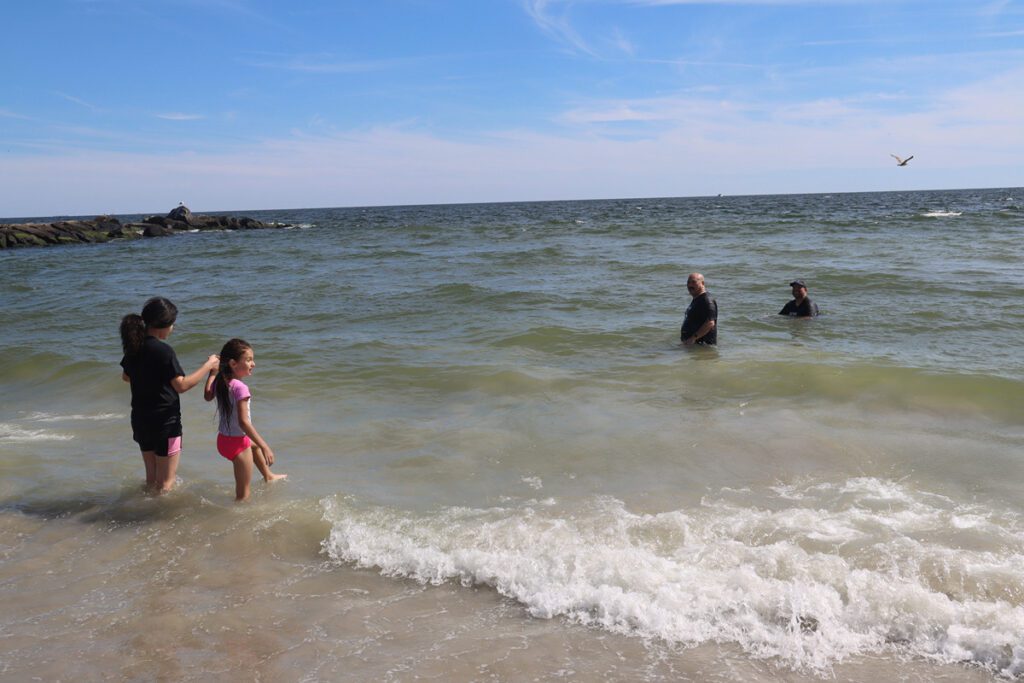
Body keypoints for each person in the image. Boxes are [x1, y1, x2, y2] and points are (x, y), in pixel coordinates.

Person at [120, 297, 219, 493]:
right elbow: (181, 385)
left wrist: (151, 380)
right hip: (165, 422)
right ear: (162, 324)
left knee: (151, 480)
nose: (172, 328)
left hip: (140, 419)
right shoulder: (163, 350)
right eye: (172, 324)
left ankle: (145, 513)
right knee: (166, 483)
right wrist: (209, 365)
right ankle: (159, 521)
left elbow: (126, 377)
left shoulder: (134, 347)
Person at [204, 338, 286, 501]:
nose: (253, 364)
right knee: (243, 496)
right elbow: (243, 422)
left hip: (223, 440)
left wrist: (212, 372)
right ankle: (237, 522)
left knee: (253, 446)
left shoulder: (221, 380)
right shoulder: (240, 387)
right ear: (233, 364)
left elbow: (207, 395)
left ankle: (268, 476)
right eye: (248, 360)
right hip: (237, 445)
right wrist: (265, 446)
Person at [681, 272, 718, 346]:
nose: (690, 285)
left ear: (702, 283)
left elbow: (710, 323)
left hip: (703, 347)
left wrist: (693, 338)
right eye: (688, 282)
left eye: (694, 282)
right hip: (694, 346)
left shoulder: (707, 300)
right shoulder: (697, 299)